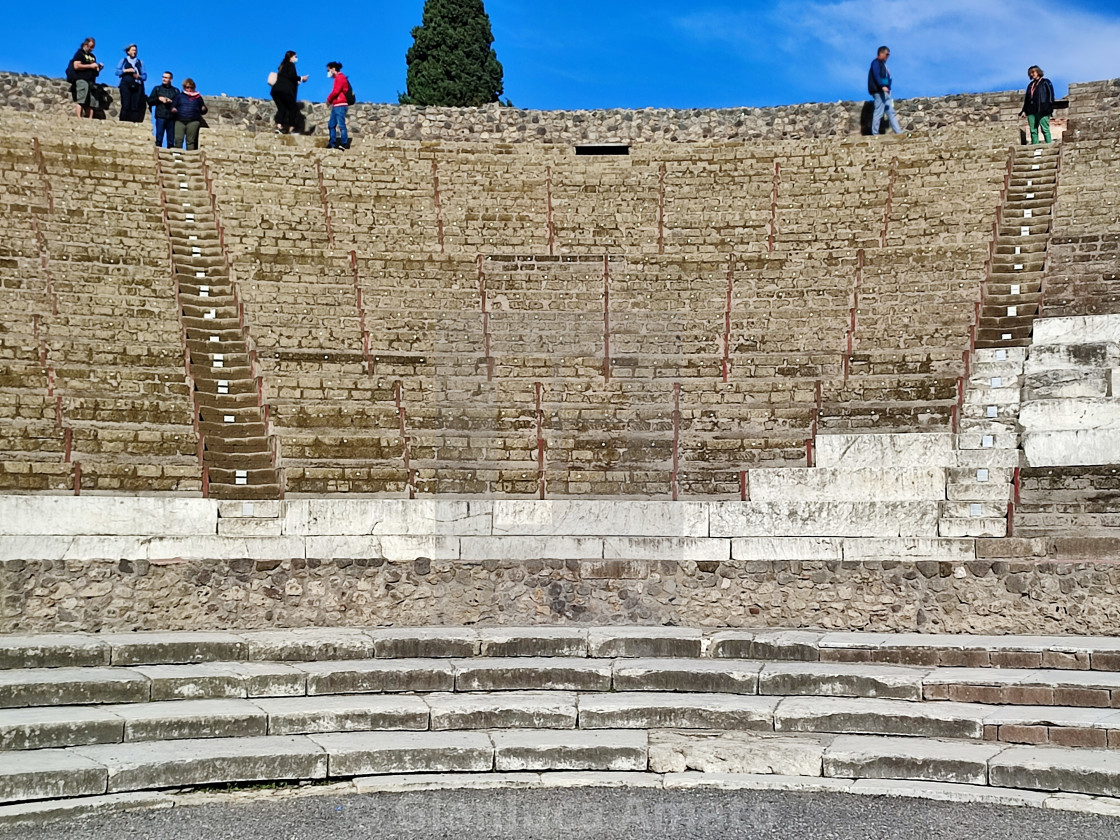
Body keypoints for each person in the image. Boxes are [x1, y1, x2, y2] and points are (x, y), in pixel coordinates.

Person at [868, 45, 902, 136]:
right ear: (881, 53)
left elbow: (887, 77)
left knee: (890, 112)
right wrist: (882, 85)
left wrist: (888, 88)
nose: (888, 56)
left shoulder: (883, 65)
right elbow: (876, 74)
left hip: (884, 92)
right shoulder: (876, 63)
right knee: (879, 111)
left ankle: (898, 132)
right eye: (886, 54)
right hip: (878, 91)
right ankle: (875, 133)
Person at [270, 50, 307, 134]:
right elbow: (291, 76)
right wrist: (301, 78)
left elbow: (286, 77)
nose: (296, 58)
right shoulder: (290, 65)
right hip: (285, 91)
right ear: (291, 57)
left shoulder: (282, 66)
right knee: (293, 108)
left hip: (276, 90)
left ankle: (279, 127)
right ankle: (292, 128)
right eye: (295, 56)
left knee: (282, 108)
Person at [68, 37, 103, 119]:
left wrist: (98, 68)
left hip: (91, 81)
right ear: (85, 44)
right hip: (81, 79)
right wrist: (90, 66)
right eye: (90, 46)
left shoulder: (92, 56)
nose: (92, 48)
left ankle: (90, 119)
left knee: (91, 102)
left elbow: (95, 71)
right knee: (81, 99)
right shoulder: (80, 53)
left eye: (93, 47)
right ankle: (79, 118)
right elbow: (76, 66)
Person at [1020, 65, 1056, 145]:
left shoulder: (1045, 82)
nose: (1032, 74)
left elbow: (1051, 95)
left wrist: (1049, 107)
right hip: (1031, 111)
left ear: (1038, 72)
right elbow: (1027, 99)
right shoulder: (1030, 85)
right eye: (1030, 73)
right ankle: (1034, 145)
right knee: (1033, 130)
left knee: (1045, 128)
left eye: (1033, 72)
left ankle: (1048, 144)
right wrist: (1024, 111)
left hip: (1043, 109)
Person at [171, 78, 208, 151]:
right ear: (184, 87)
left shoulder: (198, 97)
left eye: (191, 87)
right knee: (178, 139)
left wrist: (204, 108)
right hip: (180, 120)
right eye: (187, 87)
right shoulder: (179, 96)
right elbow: (173, 106)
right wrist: (173, 109)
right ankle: (177, 156)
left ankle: (190, 157)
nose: (189, 89)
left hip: (193, 121)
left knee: (190, 141)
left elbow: (203, 110)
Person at [115, 44, 147, 122]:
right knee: (126, 104)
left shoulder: (140, 62)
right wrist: (126, 70)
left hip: (137, 85)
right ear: (128, 52)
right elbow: (117, 72)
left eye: (135, 50)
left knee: (135, 106)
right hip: (126, 84)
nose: (134, 52)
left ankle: (133, 123)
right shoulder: (124, 60)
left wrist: (139, 76)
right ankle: (123, 122)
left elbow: (145, 76)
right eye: (133, 50)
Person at [147, 71, 180, 147]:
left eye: (166, 77)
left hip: (172, 117)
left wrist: (171, 102)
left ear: (170, 79)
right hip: (160, 116)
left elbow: (179, 104)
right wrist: (159, 99)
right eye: (163, 77)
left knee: (171, 141)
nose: (163, 79)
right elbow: (150, 101)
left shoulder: (175, 91)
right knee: (159, 139)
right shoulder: (157, 89)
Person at [325, 61, 351, 149]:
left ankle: (344, 143)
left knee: (341, 125)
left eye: (328, 70)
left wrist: (329, 99)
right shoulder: (338, 78)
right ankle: (332, 142)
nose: (328, 73)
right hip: (336, 104)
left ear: (333, 69)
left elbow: (336, 91)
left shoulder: (340, 77)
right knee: (331, 125)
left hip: (340, 104)